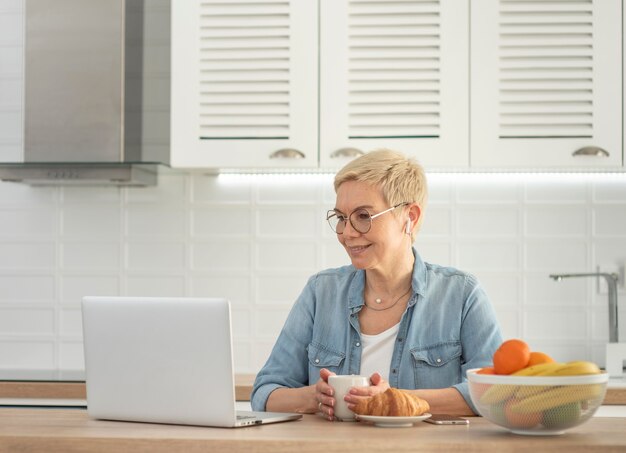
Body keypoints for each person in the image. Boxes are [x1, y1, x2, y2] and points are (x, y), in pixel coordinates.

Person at [251, 149, 502, 419]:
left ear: (410, 216)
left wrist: (394, 401)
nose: (347, 232)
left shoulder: (462, 294)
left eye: (363, 216)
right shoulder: (320, 292)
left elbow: (494, 393)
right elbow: (265, 393)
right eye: (341, 218)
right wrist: (312, 397)